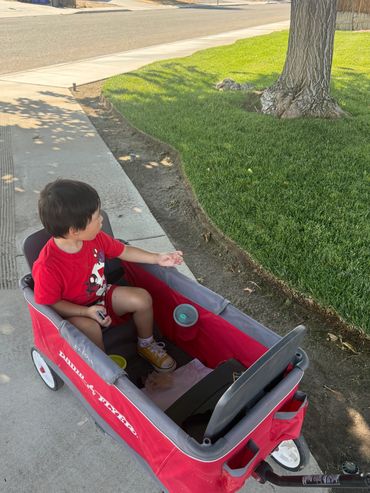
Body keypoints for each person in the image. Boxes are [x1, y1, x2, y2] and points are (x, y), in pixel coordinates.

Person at [32, 179, 183, 372]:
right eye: (96, 217)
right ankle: (105, 368)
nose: (102, 219)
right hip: (75, 311)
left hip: (101, 295)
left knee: (142, 298)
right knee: (91, 328)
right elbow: (51, 303)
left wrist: (158, 258)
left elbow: (123, 251)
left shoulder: (95, 238)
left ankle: (146, 344)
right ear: (74, 231)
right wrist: (86, 312)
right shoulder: (47, 266)